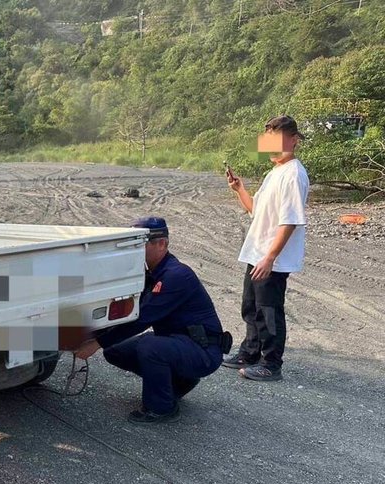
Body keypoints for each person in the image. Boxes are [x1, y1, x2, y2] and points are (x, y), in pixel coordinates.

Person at [75, 217, 227, 424]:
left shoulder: (176, 275)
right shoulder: (152, 273)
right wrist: (88, 334)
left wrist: (95, 344)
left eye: (140, 245)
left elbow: (141, 319)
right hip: (178, 342)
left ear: (161, 244)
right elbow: (125, 312)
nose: (135, 251)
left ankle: (161, 408)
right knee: (115, 350)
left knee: (150, 346)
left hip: (203, 350)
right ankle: (179, 382)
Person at [223, 115, 309, 382]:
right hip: (257, 253)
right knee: (251, 307)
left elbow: (291, 221)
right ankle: (250, 352)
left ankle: (271, 364)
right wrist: (239, 189)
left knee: (269, 311)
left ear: (294, 140)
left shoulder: (294, 174)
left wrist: (270, 257)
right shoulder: (274, 173)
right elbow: (256, 210)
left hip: (272, 259)